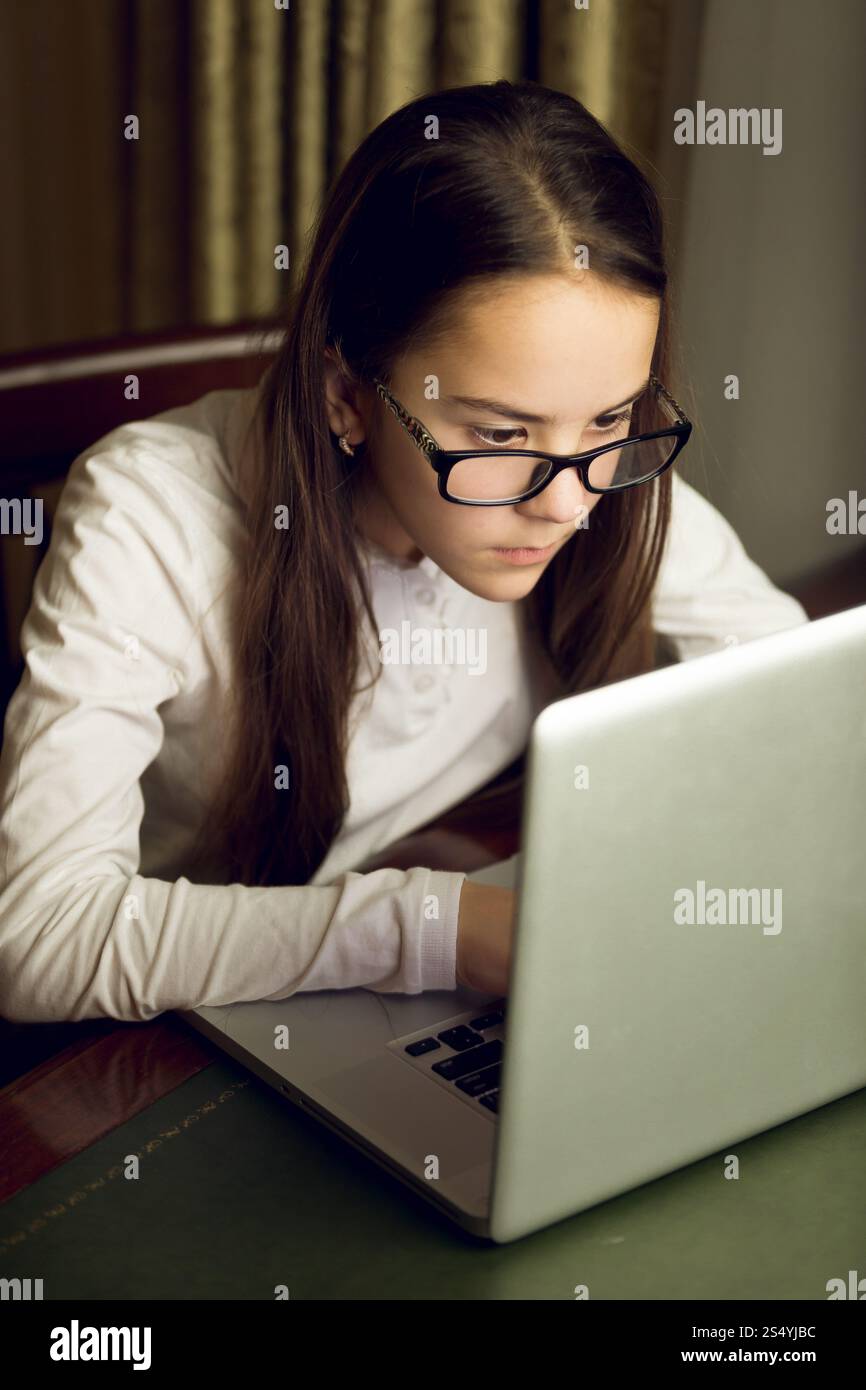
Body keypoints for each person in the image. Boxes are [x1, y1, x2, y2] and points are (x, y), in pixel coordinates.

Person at [0, 80, 807, 1023]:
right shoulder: (148, 515)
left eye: (610, 416)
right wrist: (436, 928)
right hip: (214, 1023)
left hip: (465, 912)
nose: (569, 507)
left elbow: (787, 695)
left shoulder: (598, 467)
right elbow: (39, 940)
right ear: (346, 392)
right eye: (502, 438)